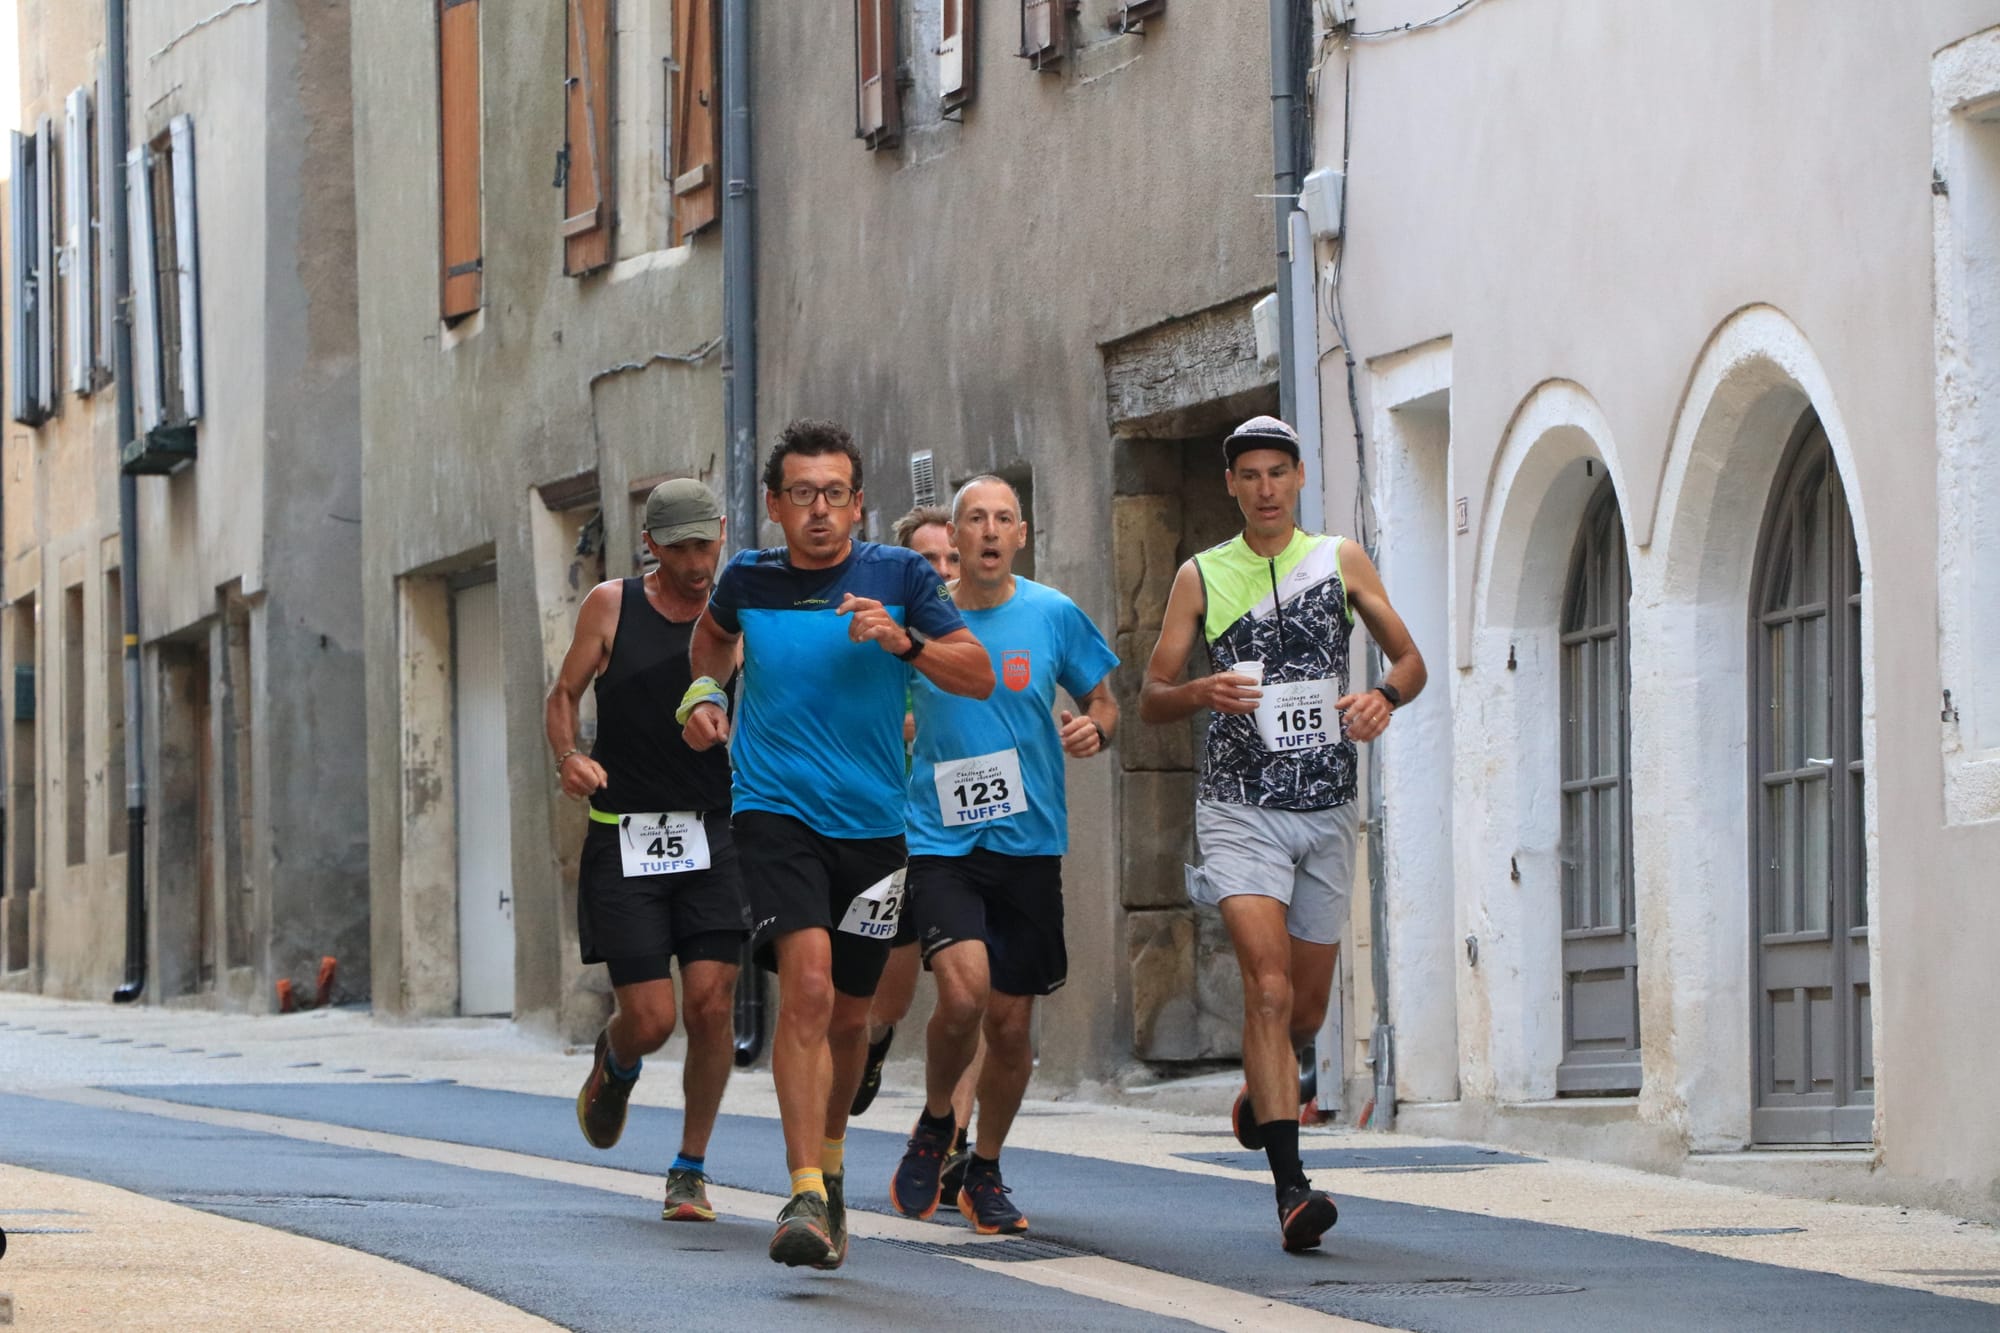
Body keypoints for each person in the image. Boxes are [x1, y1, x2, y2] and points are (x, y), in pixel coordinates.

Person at [682, 420, 995, 1270]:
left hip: (873, 825)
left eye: (834, 494)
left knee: (852, 1015)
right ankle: (804, 1192)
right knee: (810, 987)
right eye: (801, 495)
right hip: (775, 812)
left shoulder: (897, 578)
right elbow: (710, 639)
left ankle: (831, 1164)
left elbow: (976, 671)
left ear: (858, 503)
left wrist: (904, 641)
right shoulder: (748, 578)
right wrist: (705, 692)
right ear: (776, 505)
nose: (818, 511)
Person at [1139, 416, 1425, 1254]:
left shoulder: (1339, 561)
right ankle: (1292, 1189)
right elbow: (1153, 692)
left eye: (1278, 472)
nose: (1264, 487)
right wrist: (1201, 693)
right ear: (1231, 485)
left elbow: (1409, 661)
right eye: (1249, 475)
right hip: (1239, 809)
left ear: (1299, 478)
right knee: (1265, 989)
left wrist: (1384, 699)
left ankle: (1261, 1093)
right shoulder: (1201, 575)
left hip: (1328, 808)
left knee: (1300, 1011)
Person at [888, 475, 1119, 1235]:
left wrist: (1095, 729)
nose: (989, 531)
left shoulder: (1052, 613)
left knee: (1012, 1028)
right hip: (941, 842)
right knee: (962, 994)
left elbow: (1105, 700)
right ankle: (933, 1120)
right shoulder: (923, 621)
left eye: (1003, 519)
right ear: (953, 539)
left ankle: (983, 1168)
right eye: (974, 519)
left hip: (1029, 846)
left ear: (1022, 534)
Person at [551, 478, 750, 1225]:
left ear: (724, 531)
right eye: (681, 549)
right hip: (626, 832)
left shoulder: (738, 610)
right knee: (654, 1015)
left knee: (711, 1002)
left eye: (708, 544)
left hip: (712, 829)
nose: (699, 563)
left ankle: (689, 1167)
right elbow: (563, 694)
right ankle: (619, 1057)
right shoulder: (611, 605)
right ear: (652, 547)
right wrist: (570, 754)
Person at [850, 505, 982, 1203]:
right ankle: (872, 1041)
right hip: (888, 828)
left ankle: (954, 1141)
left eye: (950, 560)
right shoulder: (878, 640)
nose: (941, 573)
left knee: (971, 993)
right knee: (892, 993)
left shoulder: (980, 636)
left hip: (964, 835)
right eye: (926, 563)